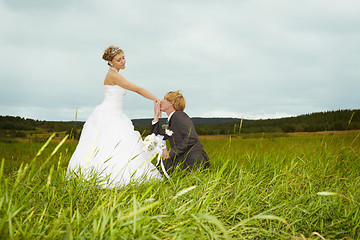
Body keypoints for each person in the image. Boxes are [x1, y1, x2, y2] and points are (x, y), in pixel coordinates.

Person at [67, 45, 162, 188]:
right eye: (119, 60)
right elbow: (138, 89)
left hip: (116, 114)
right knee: (107, 145)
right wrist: (156, 99)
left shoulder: (116, 73)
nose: (123, 61)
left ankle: (118, 175)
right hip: (108, 114)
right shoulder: (113, 74)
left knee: (119, 146)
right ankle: (107, 176)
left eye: (123, 57)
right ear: (110, 62)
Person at [150, 91, 210, 174]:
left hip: (193, 164)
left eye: (164, 99)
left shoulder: (179, 116)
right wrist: (156, 115)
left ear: (172, 102)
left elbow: (191, 138)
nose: (161, 101)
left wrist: (171, 152)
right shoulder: (172, 119)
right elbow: (156, 135)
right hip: (185, 161)